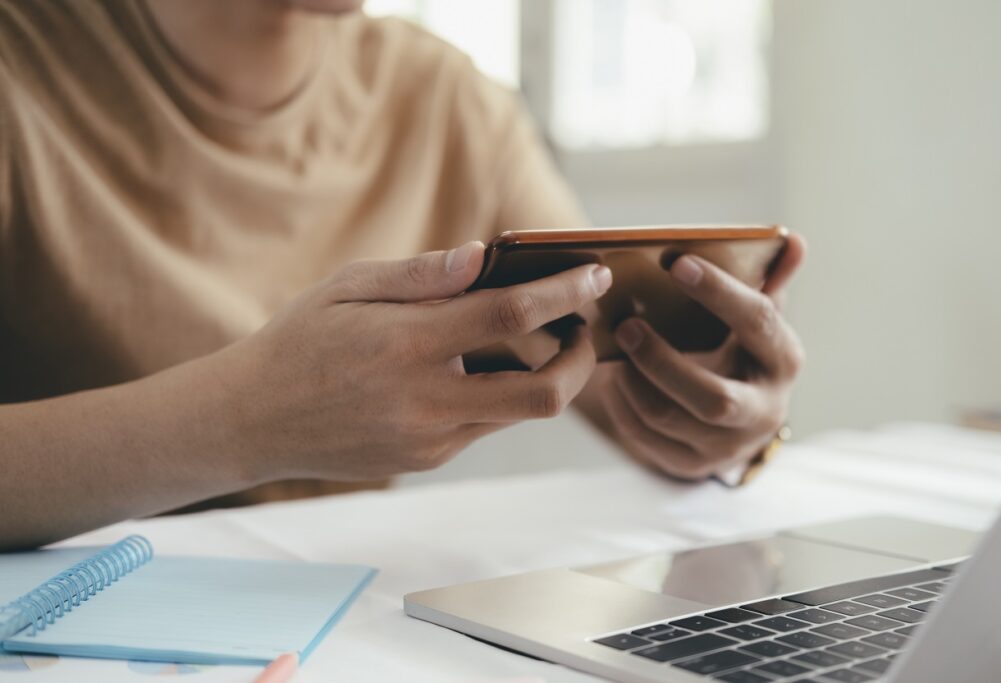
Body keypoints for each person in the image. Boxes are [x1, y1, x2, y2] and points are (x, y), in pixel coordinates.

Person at [0, 0, 806, 551]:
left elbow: (600, 373)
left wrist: (715, 417)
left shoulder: (444, 96)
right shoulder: (24, 69)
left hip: (341, 627)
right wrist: (243, 419)